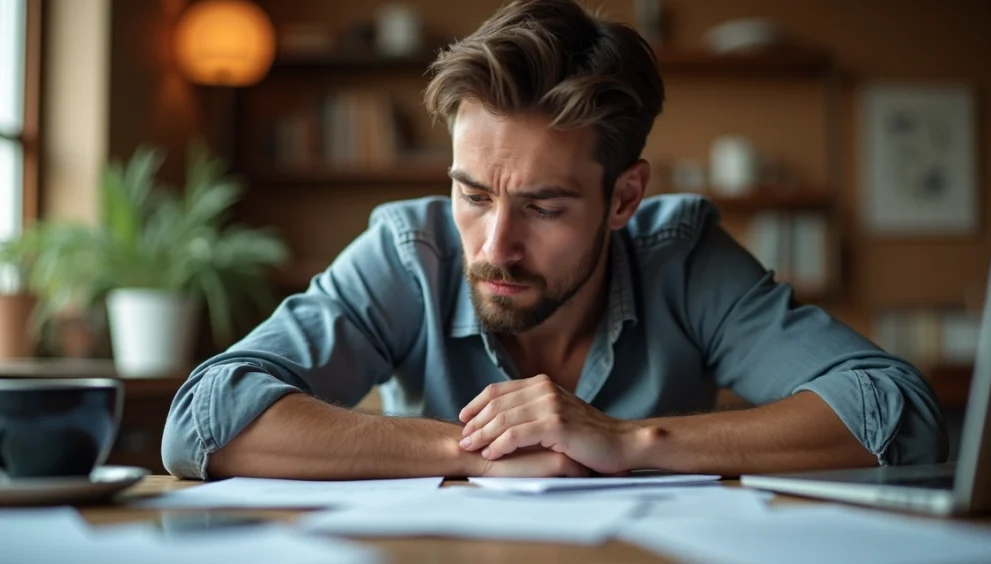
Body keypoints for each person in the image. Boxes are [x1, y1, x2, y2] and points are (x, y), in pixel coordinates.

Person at [162, 0, 946, 481]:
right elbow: (205, 416)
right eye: (472, 195)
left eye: (543, 207)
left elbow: (897, 412)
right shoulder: (410, 252)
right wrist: (473, 450)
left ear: (623, 197)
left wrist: (625, 441)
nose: (494, 247)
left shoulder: (682, 256)